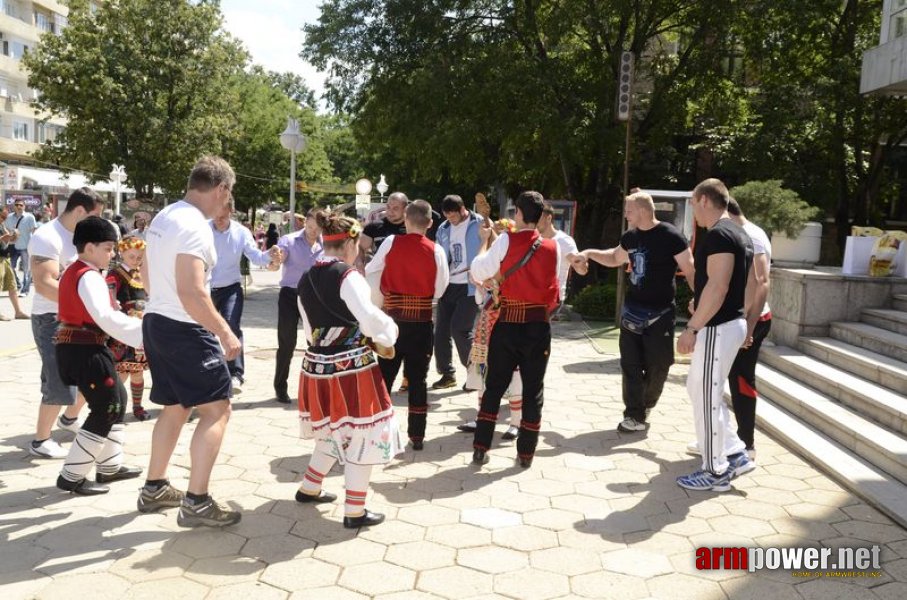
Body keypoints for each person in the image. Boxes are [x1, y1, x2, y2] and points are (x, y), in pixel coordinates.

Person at [136, 155, 243, 527]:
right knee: (217, 409)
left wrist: (161, 304)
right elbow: (193, 291)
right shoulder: (196, 227)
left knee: (176, 406)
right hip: (185, 328)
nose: (226, 204)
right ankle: (197, 501)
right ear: (221, 189)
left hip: (157, 322)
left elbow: (146, 273)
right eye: (228, 196)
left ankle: (155, 486)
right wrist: (225, 331)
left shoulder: (165, 216)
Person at [295, 212, 401, 529]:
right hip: (350, 368)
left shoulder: (305, 277)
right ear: (351, 243)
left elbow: (308, 327)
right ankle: (354, 511)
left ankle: (309, 487)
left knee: (332, 429)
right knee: (362, 434)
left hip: (317, 365)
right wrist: (390, 333)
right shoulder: (347, 276)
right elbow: (370, 320)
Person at [573, 192, 694, 432]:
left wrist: (700, 298)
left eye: (628, 210)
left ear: (642, 210)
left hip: (661, 313)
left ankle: (645, 405)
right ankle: (634, 414)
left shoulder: (671, 236)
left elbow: (690, 270)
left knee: (659, 365)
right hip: (632, 312)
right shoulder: (630, 237)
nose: (626, 215)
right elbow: (614, 257)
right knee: (630, 364)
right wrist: (588, 253)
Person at [675, 178, 756, 492]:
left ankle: (715, 471)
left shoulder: (721, 234)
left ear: (704, 200)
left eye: (694, 203)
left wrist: (693, 326)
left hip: (717, 328)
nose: (693, 210)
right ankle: (734, 452)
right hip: (726, 324)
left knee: (706, 397)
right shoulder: (738, 232)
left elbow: (718, 286)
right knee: (699, 389)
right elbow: (744, 285)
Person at [54, 217, 144, 495]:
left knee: (118, 398)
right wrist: (148, 334)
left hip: (83, 347)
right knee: (107, 407)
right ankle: (71, 476)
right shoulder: (88, 274)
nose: (113, 253)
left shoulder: (79, 270)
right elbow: (105, 317)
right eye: (108, 248)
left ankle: (110, 466)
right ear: (90, 247)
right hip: (85, 349)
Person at [469, 191, 560, 468]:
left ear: (519, 213)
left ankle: (481, 448)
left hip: (507, 324)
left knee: (495, 386)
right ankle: (526, 454)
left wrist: (485, 244)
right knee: (533, 389)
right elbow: (554, 294)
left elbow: (478, 271)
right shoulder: (552, 247)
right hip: (537, 325)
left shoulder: (506, 239)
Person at [688, 197, 771, 461]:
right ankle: (725, 443)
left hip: (744, 319)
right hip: (736, 318)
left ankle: (743, 446)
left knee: (737, 382)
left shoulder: (745, 235)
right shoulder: (740, 233)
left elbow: (759, 284)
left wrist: (749, 325)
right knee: (710, 384)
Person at [365, 200, 449, 450]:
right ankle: (417, 437)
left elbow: (371, 268)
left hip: (391, 322)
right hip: (421, 322)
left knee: (384, 378)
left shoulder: (391, 242)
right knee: (418, 380)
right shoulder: (436, 250)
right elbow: (440, 289)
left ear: (405, 220)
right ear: (431, 223)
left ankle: (376, 434)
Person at [27, 188, 103, 459]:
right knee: (59, 380)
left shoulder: (82, 238)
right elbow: (45, 284)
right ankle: (40, 440)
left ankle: (69, 419)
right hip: (52, 320)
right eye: (95, 215)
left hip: (81, 318)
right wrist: (90, 303)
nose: (99, 222)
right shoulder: (47, 237)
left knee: (96, 372)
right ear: (80, 211)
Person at [210, 200, 281, 391]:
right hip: (205, 288)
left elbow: (256, 257)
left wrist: (270, 254)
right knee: (204, 330)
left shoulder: (241, 232)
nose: (219, 220)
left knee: (231, 325)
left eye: (223, 216)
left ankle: (236, 373)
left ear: (231, 212)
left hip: (230, 288)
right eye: (216, 215)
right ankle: (208, 370)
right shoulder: (203, 229)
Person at [432, 194, 484, 389]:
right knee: (441, 332)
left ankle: (475, 374)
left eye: (454, 216)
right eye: (448, 216)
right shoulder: (443, 228)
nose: (451, 220)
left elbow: (493, 246)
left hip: (470, 286)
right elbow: (440, 256)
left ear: (463, 210)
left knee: (460, 330)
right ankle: (447, 374)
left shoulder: (479, 223)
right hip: (448, 284)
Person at [273, 208, 324, 404]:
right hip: (289, 295)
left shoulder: (324, 244)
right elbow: (281, 254)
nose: (312, 231)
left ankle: (317, 385)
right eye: (310, 226)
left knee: (317, 342)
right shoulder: (290, 240)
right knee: (287, 342)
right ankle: (280, 387)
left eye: (317, 228)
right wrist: (278, 256)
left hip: (313, 297)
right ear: (305, 223)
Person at [106, 236, 151, 421]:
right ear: (122, 253)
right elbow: (109, 297)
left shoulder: (142, 273)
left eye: (139, 257)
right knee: (122, 372)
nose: (136, 260)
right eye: (132, 256)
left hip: (140, 330)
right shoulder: (115, 274)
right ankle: (115, 408)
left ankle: (138, 407)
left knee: (138, 372)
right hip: (122, 331)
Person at [359, 192, 408, 264]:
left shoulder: (412, 228)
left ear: (405, 209)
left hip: (404, 273)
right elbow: (360, 247)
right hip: (379, 273)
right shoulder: (374, 227)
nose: (390, 211)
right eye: (388, 207)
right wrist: (360, 264)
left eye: (395, 208)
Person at [0, 206, 30, 320]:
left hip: (5, 258)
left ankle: (18, 312)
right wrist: (4, 237)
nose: (5, 218)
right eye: (3, 216)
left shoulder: (2, 225)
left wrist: (13, 237)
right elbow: (3, 238)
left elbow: (7, 241)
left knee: (12, 286)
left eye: (6, 216)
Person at [5, 198, 38, 295]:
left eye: (21, 205)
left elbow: (34, 232)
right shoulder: (9, 217)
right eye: (17, 205)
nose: (19, 207)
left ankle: (25, 290)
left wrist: (35, 245)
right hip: (12, 246)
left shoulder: (30, 217)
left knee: (26, 269)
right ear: (14, 206)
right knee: (11, 267)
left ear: (24, 206)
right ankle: (18, 284)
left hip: (26, 246)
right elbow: (6, 229)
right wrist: (9, 236)